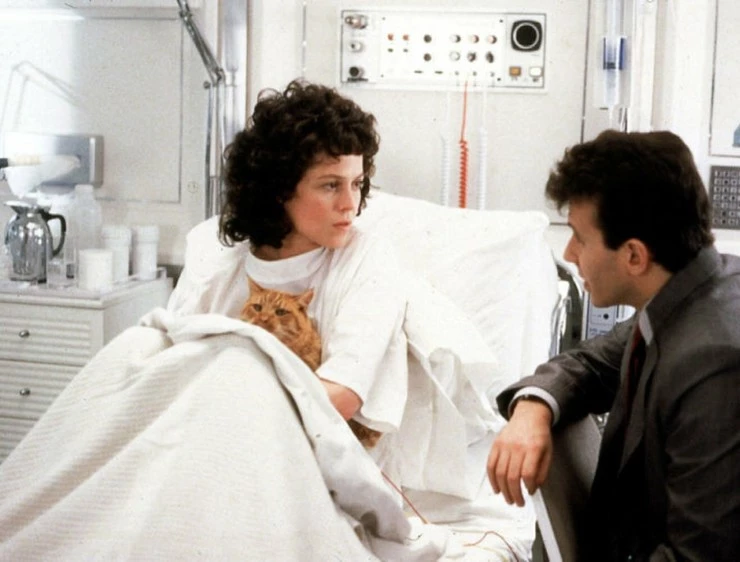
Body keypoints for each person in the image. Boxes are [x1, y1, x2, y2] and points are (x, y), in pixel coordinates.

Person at [486, 130, 740, 561]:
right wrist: (534, 405)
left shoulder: (715, 366)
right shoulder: (686, 296)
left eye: (580, 238)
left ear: (634, 256)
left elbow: (696, 557)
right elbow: (591, 362)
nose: (569, 254)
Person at [169, 78, 406, 435]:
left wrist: (228, 412)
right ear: (279, 189)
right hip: (205, 430)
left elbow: (341, 396)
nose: (350, 204)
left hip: (295, 442)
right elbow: (170, 365)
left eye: (356, 184)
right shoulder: (215, 253)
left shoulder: (367, 259)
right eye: (331, 185)